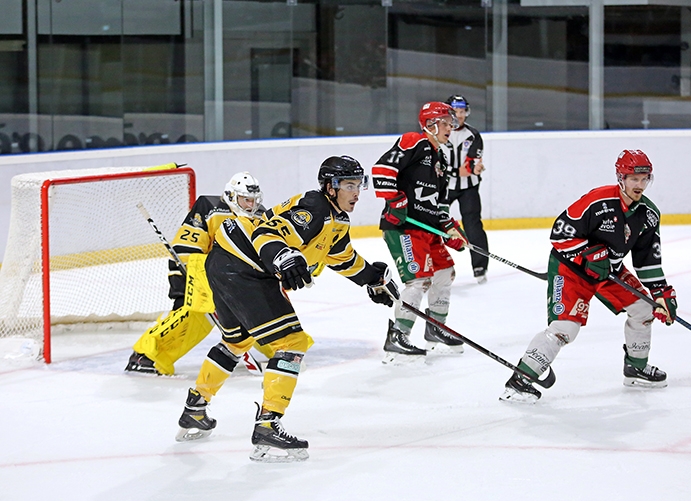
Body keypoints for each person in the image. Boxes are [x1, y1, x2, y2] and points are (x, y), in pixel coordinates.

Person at [174, 156, 399, 463]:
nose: (356, 192)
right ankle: (267, 426)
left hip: (226, 266)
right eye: (349, 185)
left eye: (359, 184)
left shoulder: (337, 218)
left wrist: (372, 279)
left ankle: (195, 408)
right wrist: (282, 257)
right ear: (330, 188)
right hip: (244, 270)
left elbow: (342, 258)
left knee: (236, 341)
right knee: (292, 343)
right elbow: (265, 233)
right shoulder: (314, 208)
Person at [500, 149, 678, 404]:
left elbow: (647, 260)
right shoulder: (598, 201)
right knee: (565, 328)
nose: (639, 185)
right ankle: (520, 380)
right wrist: (587, 254)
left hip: (610, 271)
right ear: (621, 178)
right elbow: (560, 234)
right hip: (571, 269)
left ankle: (636, 368)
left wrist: (661, 293)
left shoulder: (648, 215)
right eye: (633, 179)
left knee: (643, 309)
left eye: (644, 179)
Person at [125, 172, 269, 375]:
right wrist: (210, 282)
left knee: (263, 306)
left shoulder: (259, 215)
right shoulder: (210, 208)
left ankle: (284, 346)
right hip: (196, 273)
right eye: (246, 199)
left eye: (254, 200)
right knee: (198, 314)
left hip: (234, 279)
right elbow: (186, 250)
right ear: (231, 195)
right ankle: (147, 355)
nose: (250, 205)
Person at [372, 101, 469, 363]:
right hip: (404, 228)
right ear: (430, 124)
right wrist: (395, 201)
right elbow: (382, 170)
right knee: (418, 280)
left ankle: (436, 328)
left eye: (451, 123)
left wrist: (451, 230)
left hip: (427, 231)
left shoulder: (442, 159)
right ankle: (397, 336)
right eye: (446, 123)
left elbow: (440, 204)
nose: (451, 127)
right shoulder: (414, 141)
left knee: (445, 273)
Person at [441, 95, 489, 284]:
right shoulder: (439, 133)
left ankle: (480, 266)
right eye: (455, 112)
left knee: (473, 226)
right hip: (443, 188)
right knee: (434, 223)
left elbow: (469, 167)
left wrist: (473, 168)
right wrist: (460, 170)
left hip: (468, 187)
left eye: (462, 112)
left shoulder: (473, 135)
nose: (459, 116)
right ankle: (433, 266)